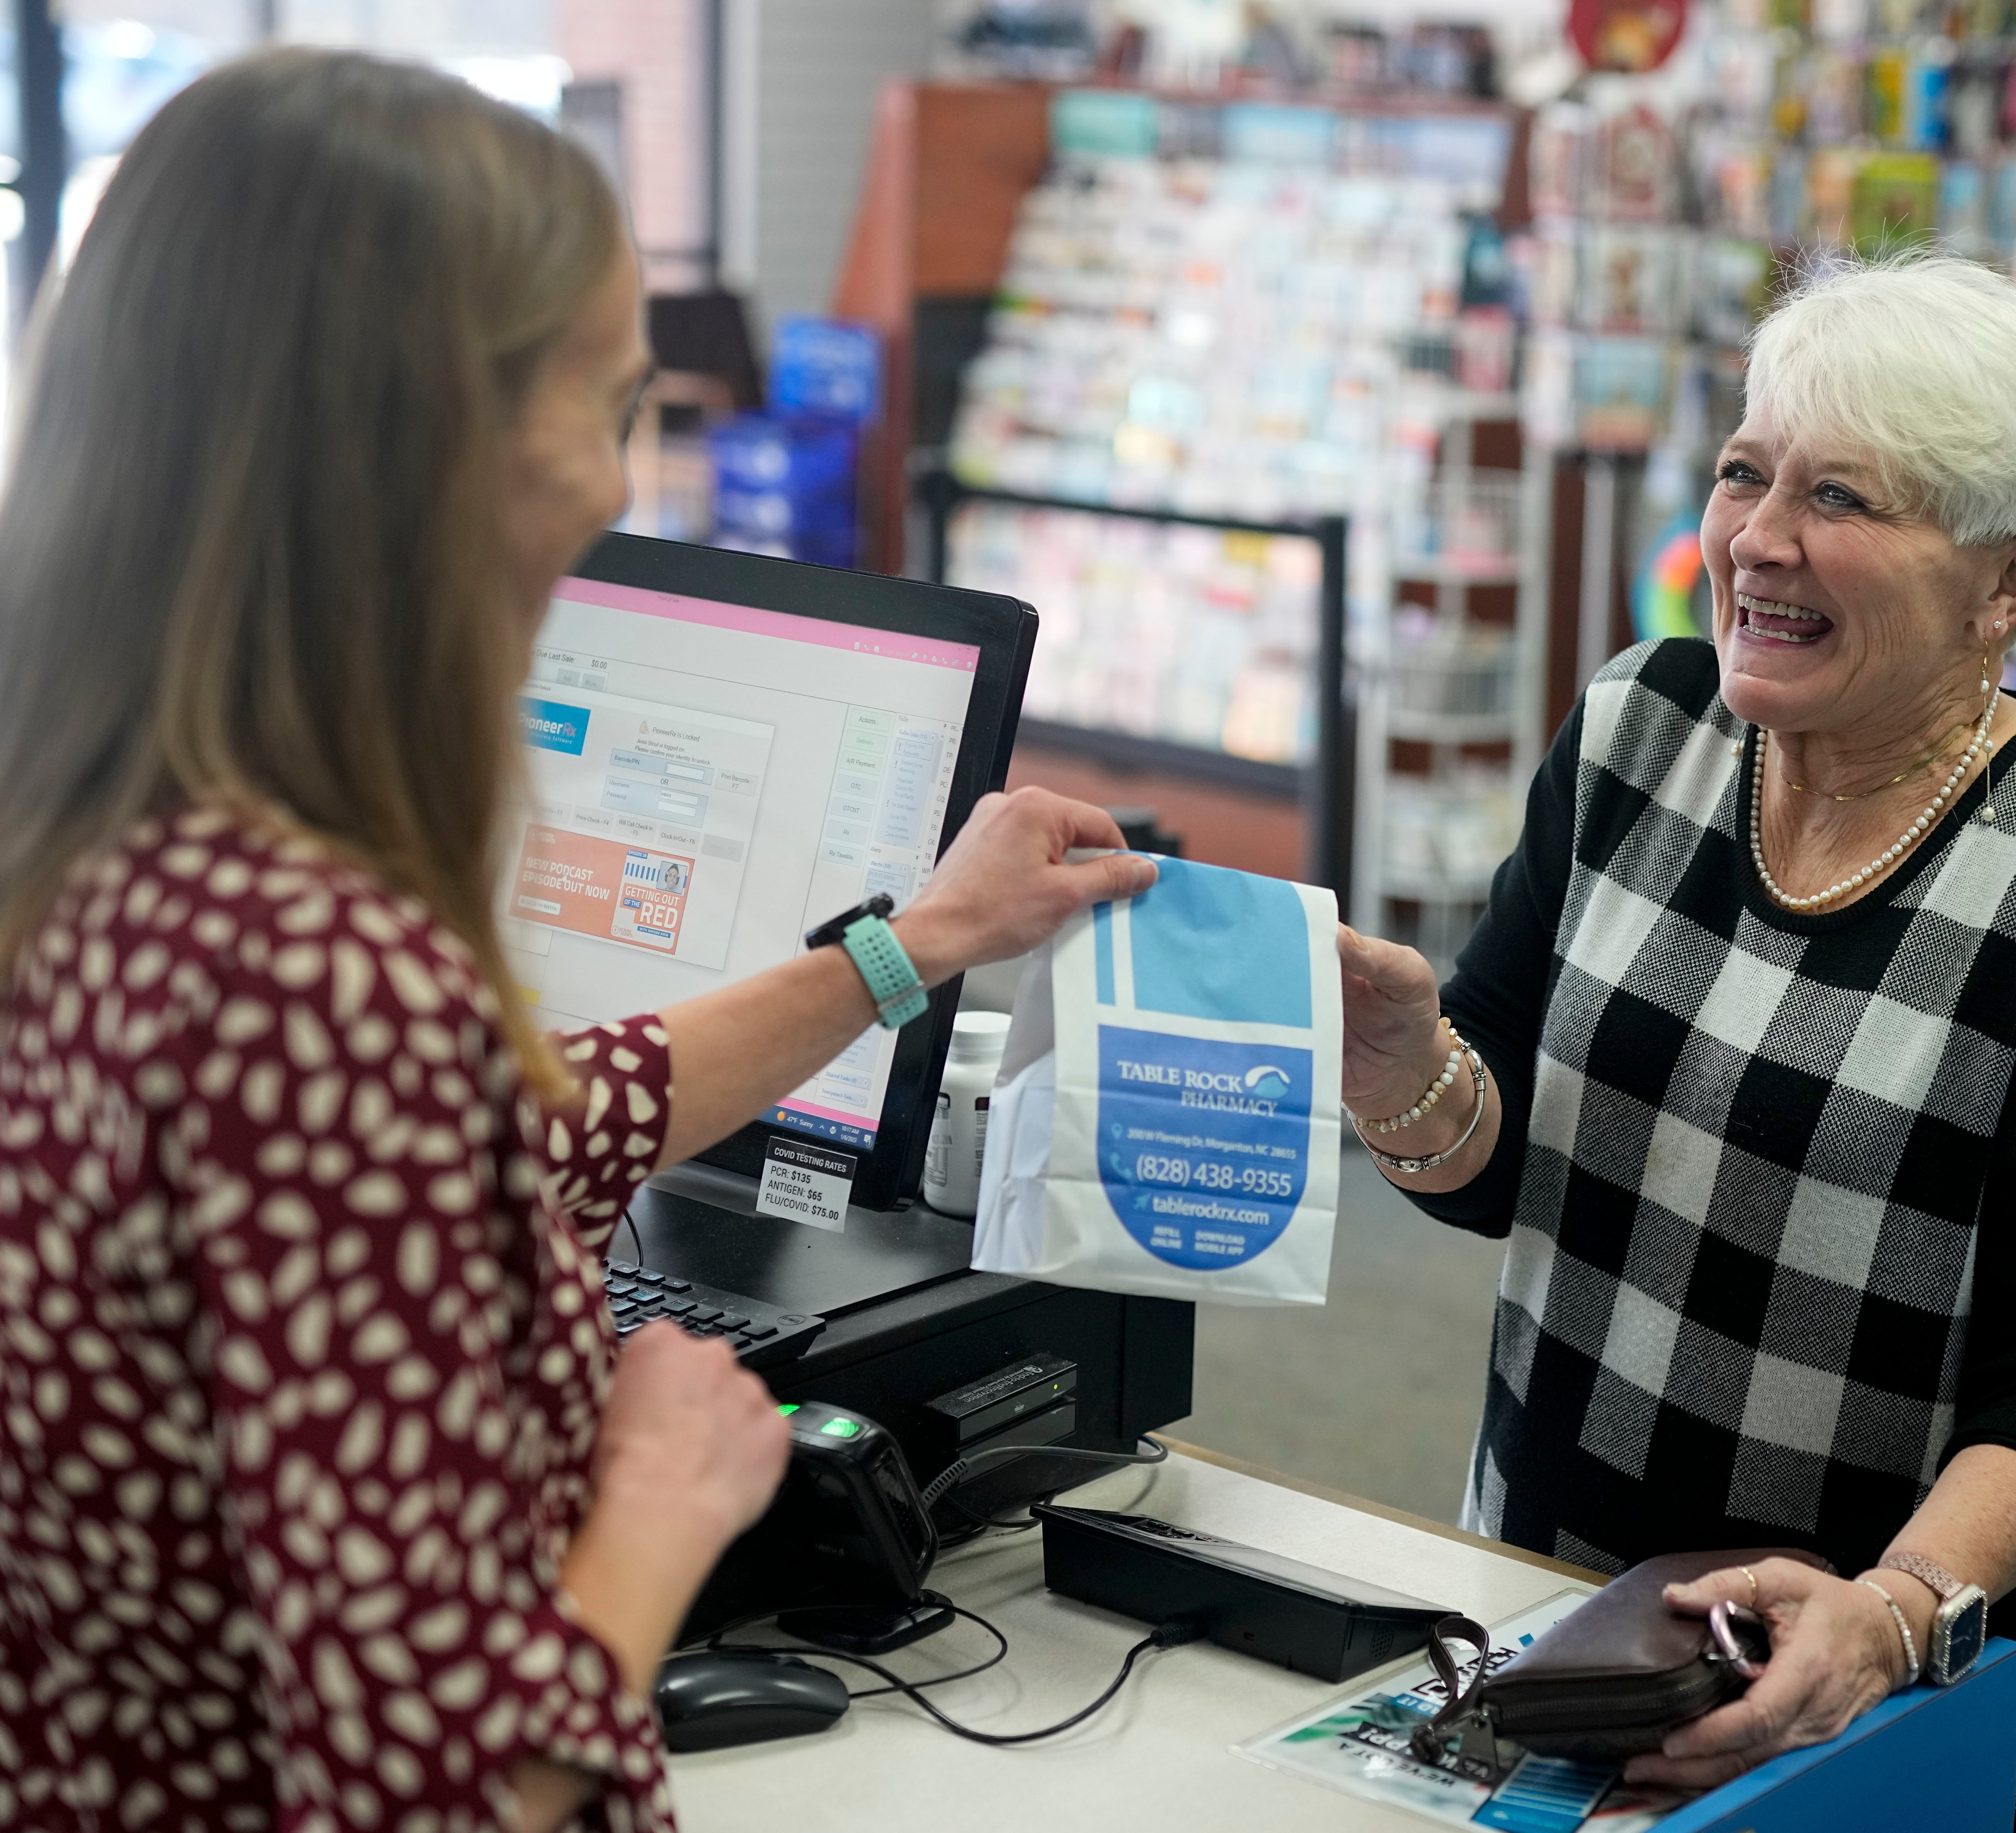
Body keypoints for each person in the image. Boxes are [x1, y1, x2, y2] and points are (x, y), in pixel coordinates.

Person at [0, 52, 1153, 1833]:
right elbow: (447, 1802)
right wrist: (659, 1501)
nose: (619, 481)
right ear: (440, 442)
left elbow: (513, 1124)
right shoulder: (313, 972)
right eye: (609, 404)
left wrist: (911, 946)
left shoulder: (98, 853)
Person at [1336, 253, 2016, 1832]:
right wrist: (1407, 1061)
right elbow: (1502, 1170)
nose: (1755, 539)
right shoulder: (1637, 728)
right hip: (1555, 1608)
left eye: (1842, 498)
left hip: (1871, 1692)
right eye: (1746, 472)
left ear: (2006, 582)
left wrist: (1884, 1617)